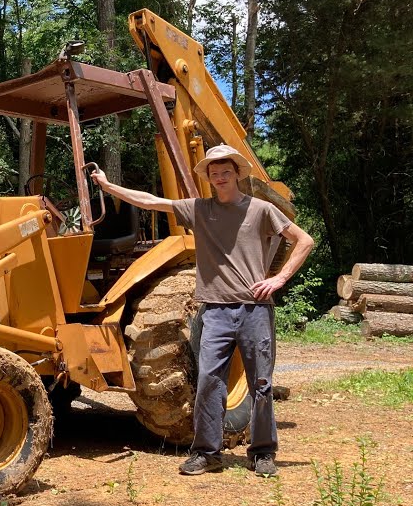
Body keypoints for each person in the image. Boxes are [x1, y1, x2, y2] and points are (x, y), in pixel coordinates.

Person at [90, 144, 315, 476]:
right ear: (208, 178)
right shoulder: (199, 209)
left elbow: (304, 240)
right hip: (215, 312)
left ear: (237, 174)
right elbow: (152, 201)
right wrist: (109, 187)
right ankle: (208, 453)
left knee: (262, 382)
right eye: (214, 173)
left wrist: (279, 278)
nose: (220, 178)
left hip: (254, 310)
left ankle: (263, 452)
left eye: (225, 172)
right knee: (209, 381)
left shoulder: (261, 210)